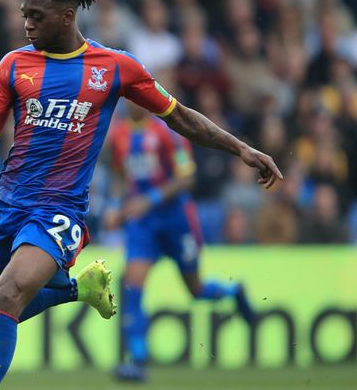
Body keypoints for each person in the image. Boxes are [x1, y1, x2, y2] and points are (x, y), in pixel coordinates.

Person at [0, 0, 282, 390]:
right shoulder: (14, 65)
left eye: (36, 16)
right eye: (24, 16)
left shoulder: (115, 67)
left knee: (7, 295)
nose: (27, 25)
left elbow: (179, 115)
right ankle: (77, 289)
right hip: (6, 206)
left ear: (67, 16)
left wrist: (242, 149)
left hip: (59, 211)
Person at [103, 101, 255, 382]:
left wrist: (150, 199)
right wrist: (115, 204)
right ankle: (136, 361)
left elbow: (187, 177)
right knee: (132, 286)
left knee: (196, 290)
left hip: (176, 220)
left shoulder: (167, 133)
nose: (130, 101)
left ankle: (233, 292)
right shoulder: (120, 135)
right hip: (143, 224)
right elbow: (121, 178)